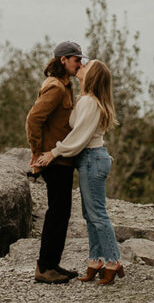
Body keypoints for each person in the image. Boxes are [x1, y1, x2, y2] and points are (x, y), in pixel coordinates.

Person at [35, 59, 125, 285]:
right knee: (90, 214)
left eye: (86, 65)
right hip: (92, 159)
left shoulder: (88, 102)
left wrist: (54, 153)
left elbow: (78, 137)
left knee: (97, 214)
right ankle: (95, 261)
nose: (80, 66)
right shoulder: (89, 100)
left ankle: (113, 261)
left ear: (91, 75)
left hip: (91, 158)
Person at [26, 40, 85, 284]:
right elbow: (33, 119)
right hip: (55, 161)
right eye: (76, 59)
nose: (80, 64)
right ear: (64, 60)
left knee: (60, 214)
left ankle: (52, 264)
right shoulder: (57, 89)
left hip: (61, 160)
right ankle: (44, 267)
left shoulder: (64, 85)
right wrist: (37, 153)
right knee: (57, 215)